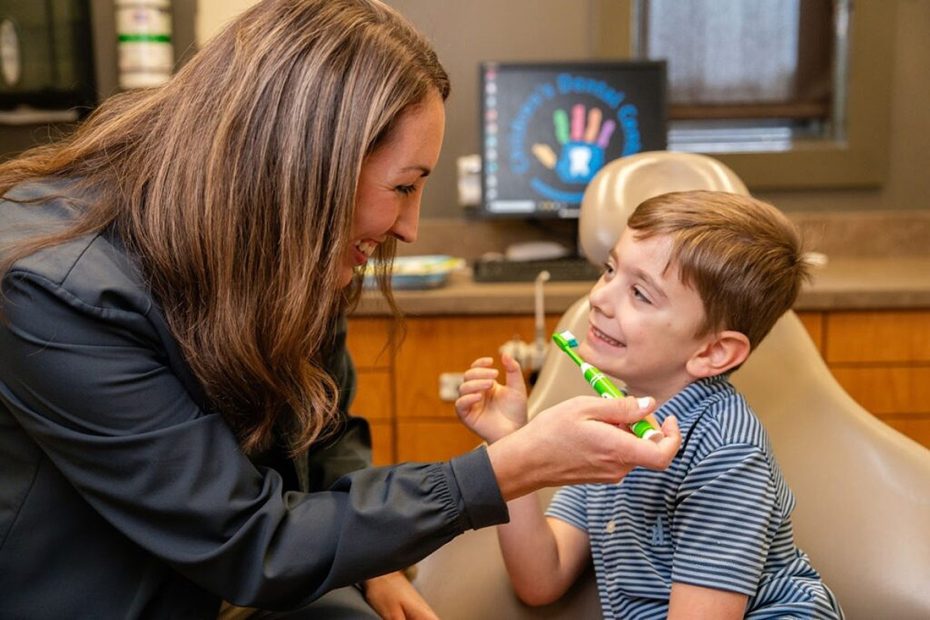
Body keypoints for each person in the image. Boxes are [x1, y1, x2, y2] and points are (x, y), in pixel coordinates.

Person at [0, 0, 682, 617]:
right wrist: (510, 467)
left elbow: (323, 434)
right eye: (404, 187)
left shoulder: (285, 247)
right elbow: (250, 543)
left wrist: (373, 560)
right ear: (303, 167)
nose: (409, 228)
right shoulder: (55, 291)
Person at [456, 190, 844, 619]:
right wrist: (510, 441)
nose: (599, 298)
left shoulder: (727, 454)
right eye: (609, 270)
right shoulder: (605, 425)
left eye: (640, 293)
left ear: (713, 352)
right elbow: (541, 580)